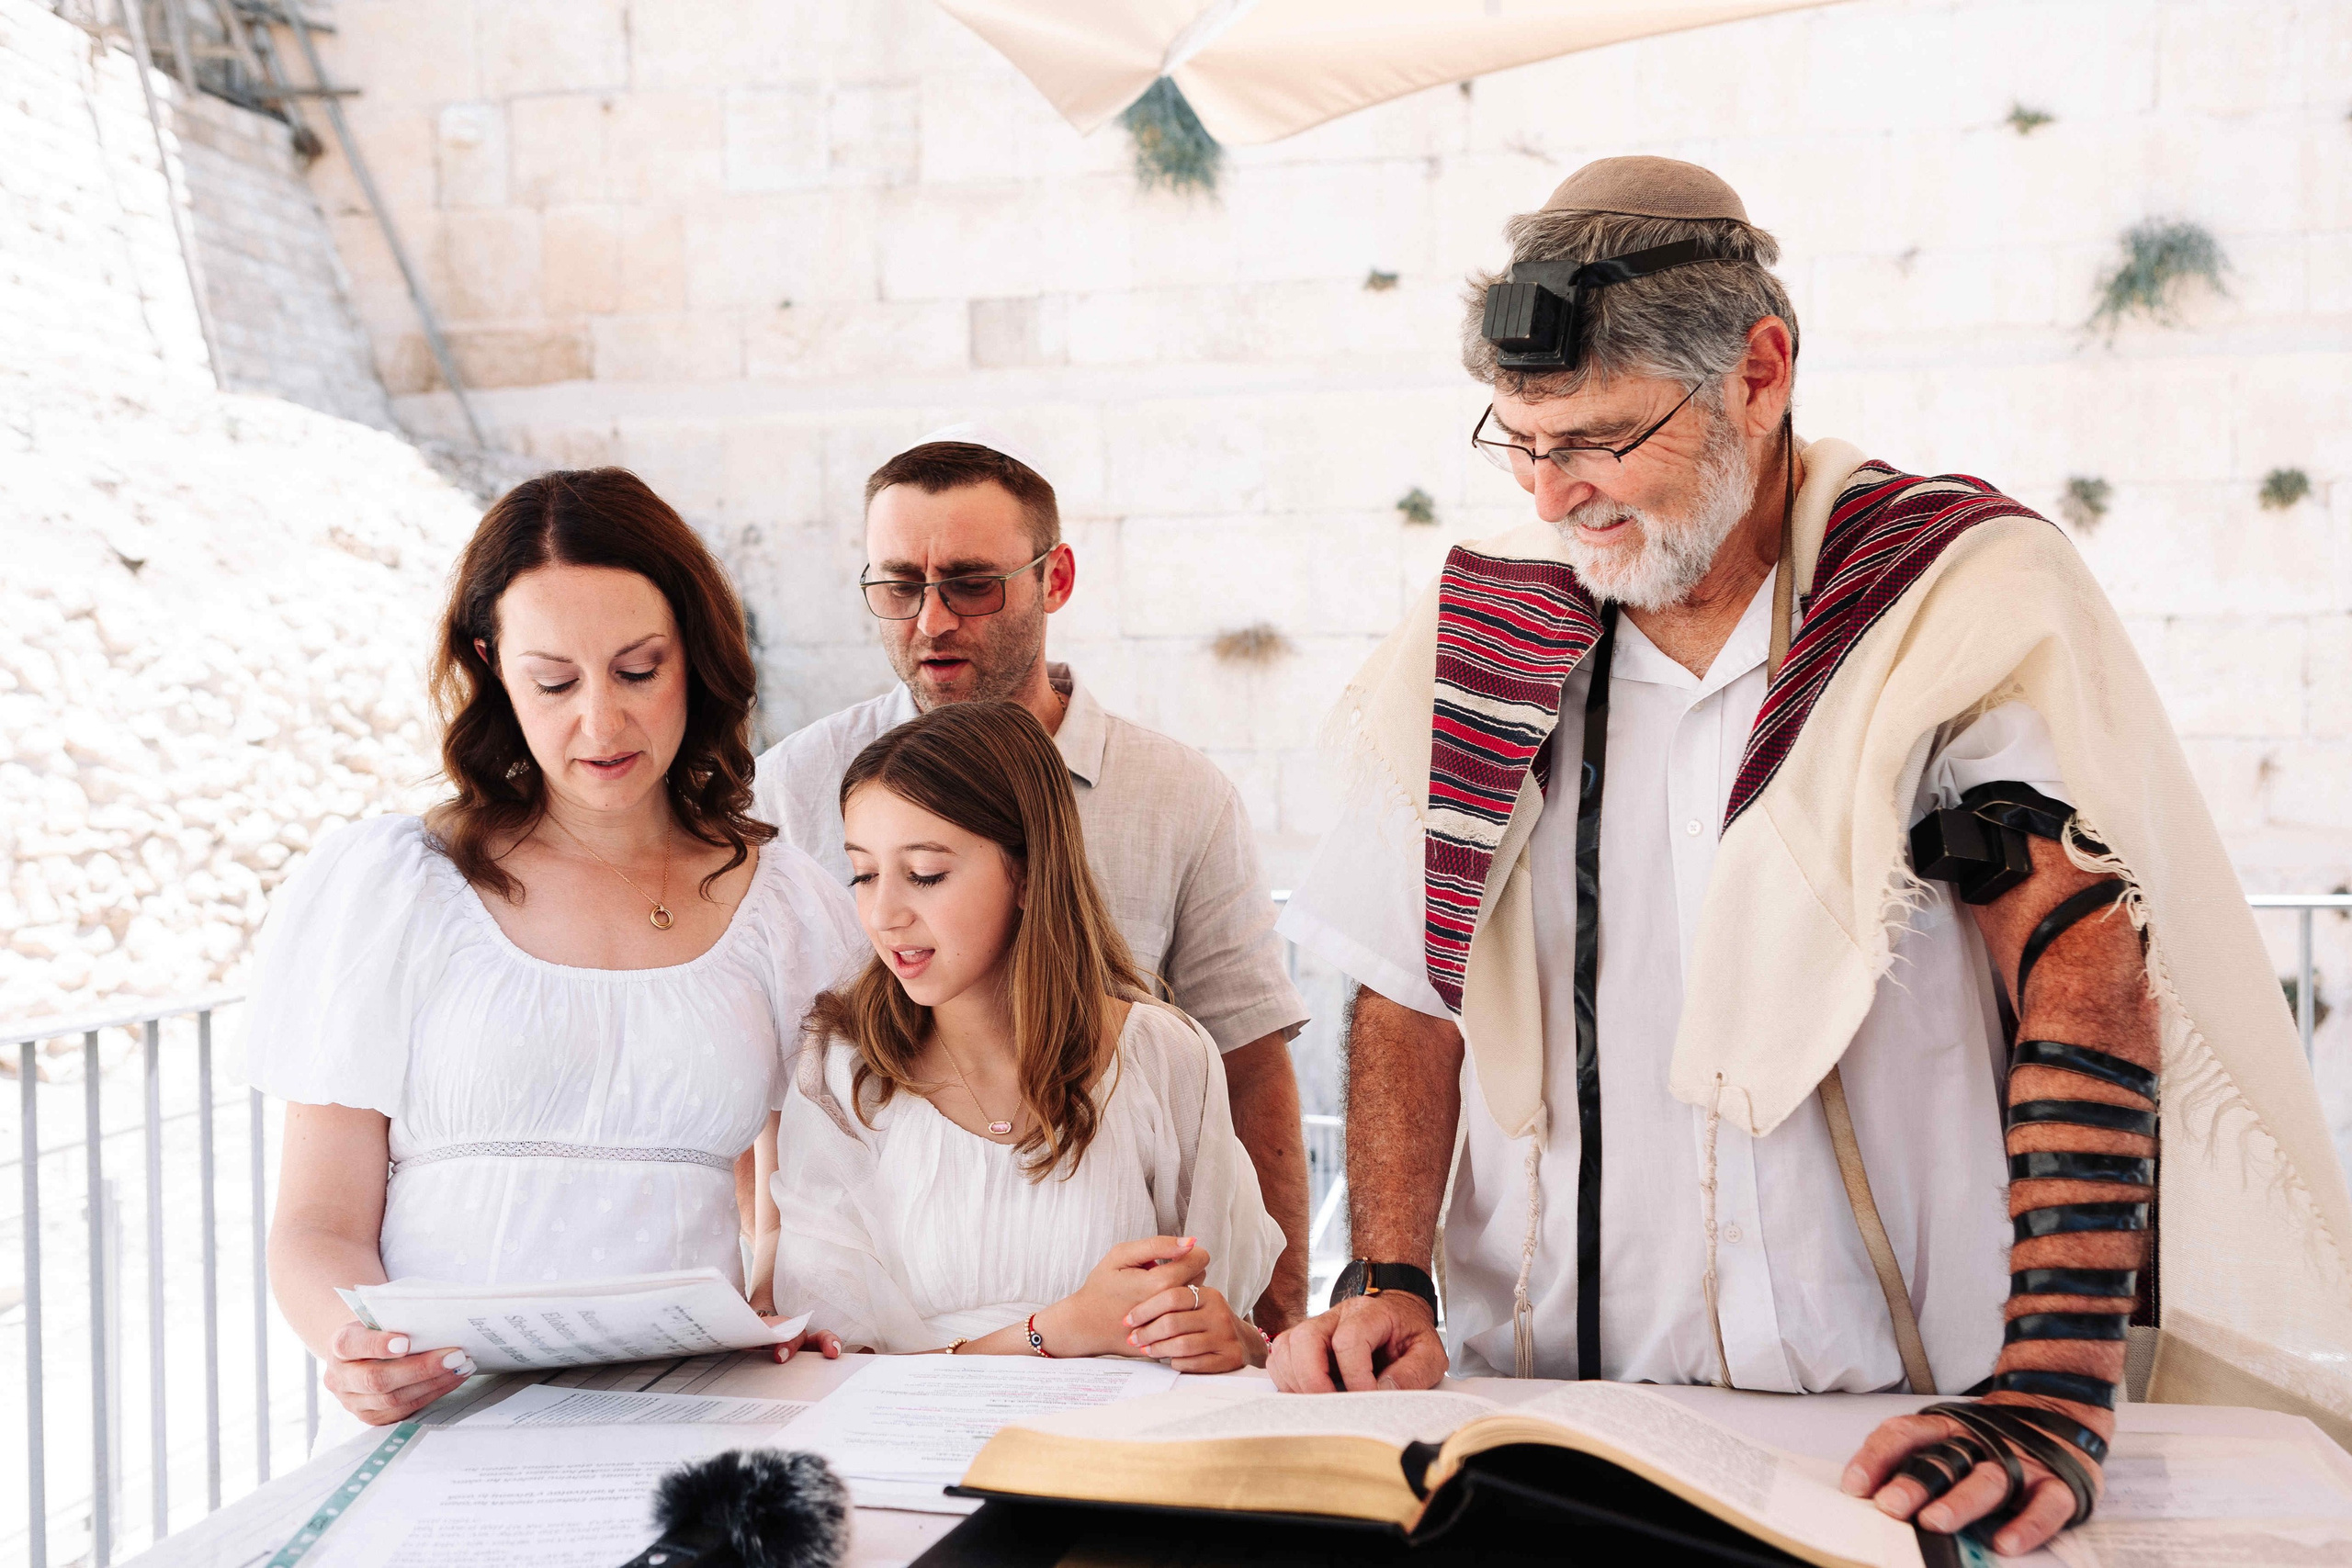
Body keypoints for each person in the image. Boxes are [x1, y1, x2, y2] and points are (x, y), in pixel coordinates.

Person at [1268, 156, 2352, 1556]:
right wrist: (1388, 1268)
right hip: (1531, 1417)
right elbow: (1407, 983)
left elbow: (2080, 957)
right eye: (1522, 441)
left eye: (1599, 437)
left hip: (1888, 1440)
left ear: (1760, 372)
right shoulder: (1485, 631)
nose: (1552, 498)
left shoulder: (1938, 596)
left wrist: (2059, 1385)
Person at [251, 468, 862, 1434]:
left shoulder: (787, 903)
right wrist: (352, 1345)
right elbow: (316, 1223)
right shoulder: (398, 886)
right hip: (448, 1430)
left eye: (638, 669)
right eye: (554, 681)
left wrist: (786, 1314)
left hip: (695, 1420)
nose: (600, 723)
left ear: (692, 658)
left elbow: (817, 1199)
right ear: (494, 665)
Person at [752, 426, 1314, 1334]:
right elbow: (780, 1074)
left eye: (970, 583)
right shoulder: (795, 782)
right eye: (897, 586)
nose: (931, 622)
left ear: (1054, 579)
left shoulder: (1180, 796)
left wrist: (1267, 1325)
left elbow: (1246, 1060)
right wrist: (769, 1285)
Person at [769, 700, 1282, 1368]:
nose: (883, 912)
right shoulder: (844, 1072)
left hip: (1118, 1451)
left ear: (1029, 869)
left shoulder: (1164, 1057)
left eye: (925, 872)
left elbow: (1228, 1315)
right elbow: (835, 1364)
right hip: (909, 1460)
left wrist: (1228, 1336)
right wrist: (1052, 1331)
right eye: (864, 873)